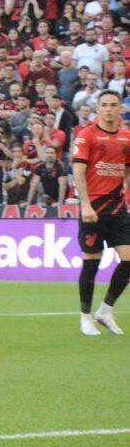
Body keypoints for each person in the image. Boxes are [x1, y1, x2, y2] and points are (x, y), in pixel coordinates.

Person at [70, 90, 130, 337]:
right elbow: (78, 173)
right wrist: (84, 204)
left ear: (120, 109)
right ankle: (85, 317)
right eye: (104, 105)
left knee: (129, 260)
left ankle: (105, 310)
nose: (108, 109)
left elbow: (127, 170)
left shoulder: (127, 137)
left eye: (113, 105)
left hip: (117, 208)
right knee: (91, 263)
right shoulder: (87, 135)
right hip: (93, 209)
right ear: (98, 108)